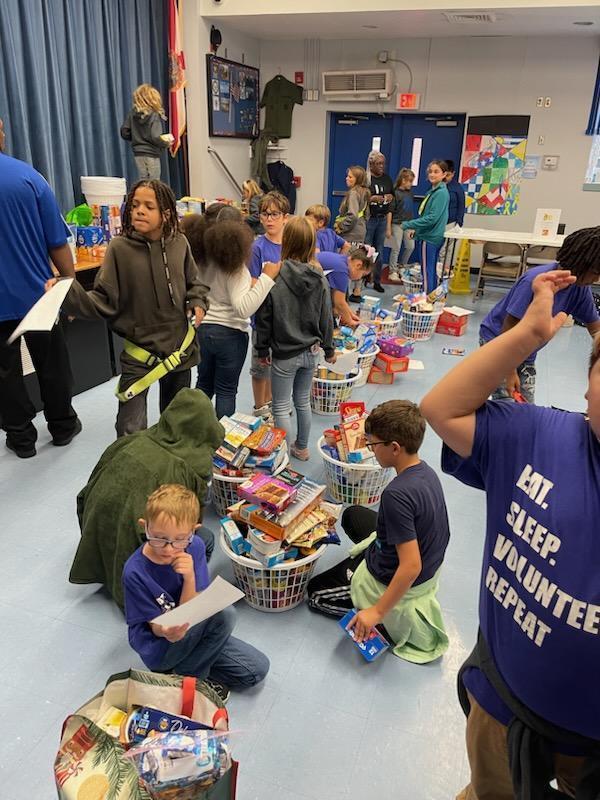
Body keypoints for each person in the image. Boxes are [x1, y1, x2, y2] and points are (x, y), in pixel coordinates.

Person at [420, 270, 600, 799]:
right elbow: (440, 408)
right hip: (502, 700)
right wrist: (525, 339)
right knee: (487, 788)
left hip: (590, 750)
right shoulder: (540, 435)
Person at [47, 180, 209, 437]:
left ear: (166, 214)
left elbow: (195, 283)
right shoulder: (119, 249)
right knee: (129, 428)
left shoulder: (180, 244)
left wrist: (198, 302)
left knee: (177, 419)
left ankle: (172, 470)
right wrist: (65, 291)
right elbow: (102, 299)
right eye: (134, 205)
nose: (139, 211)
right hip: (139, 351)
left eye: (148, 206)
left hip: (180, 348)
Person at [306, 400, 450, 663]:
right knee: (352, 514)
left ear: (394, 448)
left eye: (372, 445)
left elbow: (411, 566)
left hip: (397, 576)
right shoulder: (425, 472)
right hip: (414, 557)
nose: (371, 451)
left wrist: (377, 612)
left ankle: (383, 617)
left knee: (315, 594)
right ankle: (359, 571)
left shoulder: (396, 495)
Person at [71, 389, 224, 610]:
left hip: (96, 529)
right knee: (204, 540)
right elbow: (188, 523)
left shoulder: (131, 440)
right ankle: (180, 590)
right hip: (145, 548)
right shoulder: (188, 468)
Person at [123, 483, 270, 701]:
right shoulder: (134, 571)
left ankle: (180, 673)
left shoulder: (196, 547)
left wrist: (189, 577)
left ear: (194, 530)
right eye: (159, 538)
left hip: (190, 629)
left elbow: (194, 609)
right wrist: (166, 631)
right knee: (226, 613)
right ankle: (191, 681)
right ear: (145, 527)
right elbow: (154, 627)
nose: (169, 549)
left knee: (256, 669)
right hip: (160, 646)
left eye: (180, 539)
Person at [0, 117, 81, 459]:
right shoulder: (29, 178)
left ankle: (21, 439)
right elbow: (57, 242)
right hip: (39, 293)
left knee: (5, 374)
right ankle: (62, 426)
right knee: (52, 364)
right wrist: (71, 288)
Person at [479, 227, 600, 403]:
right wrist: (509, 370)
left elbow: (595, 328)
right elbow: (509, 328)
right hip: (497, 341)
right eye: (596, 273)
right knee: (505, 401)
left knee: (525, 404)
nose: (596, 280)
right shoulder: (534, 281)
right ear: (581, 264)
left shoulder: (580, 288)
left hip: (526, 351)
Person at [180, 210, 280, 419]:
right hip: (230, 336)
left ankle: (194, 430)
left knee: (204, 385)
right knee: (226, 391)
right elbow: (243, 308)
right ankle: (221, 443)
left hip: (203, 330)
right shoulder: (235, 267)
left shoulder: (200, 259)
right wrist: (266, 278)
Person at [255, 217, 335, 461]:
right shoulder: (320, 278)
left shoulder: (275, 277)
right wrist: (329, 349)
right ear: (312, 244)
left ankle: (282, 458)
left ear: (285, 242)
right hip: (311, 351)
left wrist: (261, 350)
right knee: (302, 402)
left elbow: (264, 318)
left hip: (284, 353)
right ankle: (301, 448)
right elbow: (326, 318)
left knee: (280, 406)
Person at [247, 191, 290, 422]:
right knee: (260, 366)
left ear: (285, 217)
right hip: (262, 320)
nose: (269, 219)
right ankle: (260, 405)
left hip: (285, 320)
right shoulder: (257, 247)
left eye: (275, 214)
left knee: (279, 364)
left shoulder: (291, 245)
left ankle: (273, 402)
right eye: (265, 214)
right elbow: (252, 281)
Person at [402, 159, 449, 294]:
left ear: (444, 174)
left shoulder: (440, 193)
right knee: (430, 269)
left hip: (430, 237)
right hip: (428, 235)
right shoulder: (433, 191)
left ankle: (427, 298)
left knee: (427, 271)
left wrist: (408, 224)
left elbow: (432, 218)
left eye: (436, 172)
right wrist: (417, 231)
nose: (432, 174)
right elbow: (426, 214)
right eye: (430, 171)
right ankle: (431, 296)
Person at [120, 84, 173, 180]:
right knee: (154, 182)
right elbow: (155, 136)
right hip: (151, 153)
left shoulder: (132, 114)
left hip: (138, 153)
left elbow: (124, 131)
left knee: (143, 180)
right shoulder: (154, 115)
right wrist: (166, 143)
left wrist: (137, 137)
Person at [316, 247, 374, 327]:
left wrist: (351, 315)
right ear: (358, 265)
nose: (360, 278)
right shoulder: (342, 271)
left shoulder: (342, 260)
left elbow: (342, 303)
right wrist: (351, 322)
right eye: (363, 275)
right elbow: (339, 303)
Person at [365, 150, 395, 294]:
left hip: (382, 219)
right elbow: (361, 197)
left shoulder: (388, 179)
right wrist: (371, 199)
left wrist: (389, 197)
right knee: (366, 250)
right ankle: (364, 277)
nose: (382, 166)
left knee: (379, 252)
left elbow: (392, 199)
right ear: (371, 164)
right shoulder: (366, 179)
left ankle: (377, 281)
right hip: (369, 219)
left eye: (383, 163)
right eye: (378, 163)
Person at [388, 168, 416, 282]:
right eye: (410, 181)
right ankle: (392, 271)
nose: (411, 184)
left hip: (408, 224)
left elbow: (410, 210)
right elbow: (389, 211)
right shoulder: (395, 193)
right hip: (396, 224)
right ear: (403, 180)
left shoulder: (410, 193)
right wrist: (388, 227)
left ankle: (402, 266)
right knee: (396, 248)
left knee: (410, 246)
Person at [438, 159, 466, 266]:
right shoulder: (438, 186)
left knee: (446, 251)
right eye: (444, 174)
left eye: (448, 175)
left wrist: (459, 223)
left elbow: (461, 207)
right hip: (439, 223)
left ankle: (445, 273)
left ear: (453, 174)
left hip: (451, 223)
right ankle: (438, 272)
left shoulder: (457, 188)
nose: (446, 177)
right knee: (439, 250)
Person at [334, 165, 370, 246]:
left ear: (358, 180)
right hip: (360, 232)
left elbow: (353, 216)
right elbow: (367, 215)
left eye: (350, 177)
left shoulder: (353, 193)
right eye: (347, 176)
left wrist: (341, 226)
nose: (347, 178)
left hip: (350, 235)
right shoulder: (364, 193)